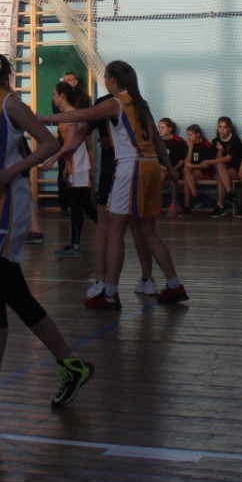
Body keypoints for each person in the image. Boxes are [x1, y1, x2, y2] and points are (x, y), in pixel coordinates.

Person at [0, 39, 94, 419]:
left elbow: (48, 143)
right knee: (16, 296)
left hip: (9, 202)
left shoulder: (9, 104)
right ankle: (72, 365)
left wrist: (12, 170)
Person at [46, 61, 188, 307]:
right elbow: (157, 140)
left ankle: (110, 292)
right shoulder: (141, 104)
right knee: (147, 231)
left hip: (131, 167)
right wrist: (172, 171)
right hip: (151, 166)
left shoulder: (115, 103)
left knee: (114, 230)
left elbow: (81, 115)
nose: (105, 81)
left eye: (105, 77)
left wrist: (42, 117)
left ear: (112, 79)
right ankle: (174, 284)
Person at [43, 81, 97, 258]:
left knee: (81, 204)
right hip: (74, 164)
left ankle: (102, 232)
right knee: (78, 204)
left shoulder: (72, 115)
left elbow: (70, 144)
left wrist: (52, 160)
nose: (53, 98)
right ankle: (75, 244)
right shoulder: (66, 115)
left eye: (54, 94)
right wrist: (67, 165)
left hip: (80, 164)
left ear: (62, 96)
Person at [209, 116, 241, 215]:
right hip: (222, 171)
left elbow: (228, 159)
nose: (222, 129)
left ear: (230, 128)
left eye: (225, 127)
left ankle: (221, 206)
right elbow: (217, 160)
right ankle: (229, 193)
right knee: (220, 173)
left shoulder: (235, 140)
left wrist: (209, 162)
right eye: (220, 127)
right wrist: (219, 150)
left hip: (235, 170)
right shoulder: (216, 141)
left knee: (220, 169)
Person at [181, 124, 216, 213]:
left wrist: (193, 166)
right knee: (186, 174)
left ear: (198, 134)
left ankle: (187, 206)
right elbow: (187, 163)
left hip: (204, 172)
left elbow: (207, 165)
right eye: (187, 135)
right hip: (191, 172)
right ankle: (195, 198)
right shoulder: (188, 144)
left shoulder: (206, 145)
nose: (189, 137)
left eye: (190, 135)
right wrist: (190, 148)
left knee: (188, 176)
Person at [158, 119, 189, 213]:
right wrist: (165, 168)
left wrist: (172, 169)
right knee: (161, 175)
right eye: (159, 128)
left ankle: (174, 202)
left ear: (170, 129)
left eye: (163, 128)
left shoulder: (179, 141)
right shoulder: (157, 141)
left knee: (173, 176)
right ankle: (156, 201)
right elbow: (155, 160)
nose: (160, 130)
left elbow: (182, 160)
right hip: (161, 169)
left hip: (175, 169)